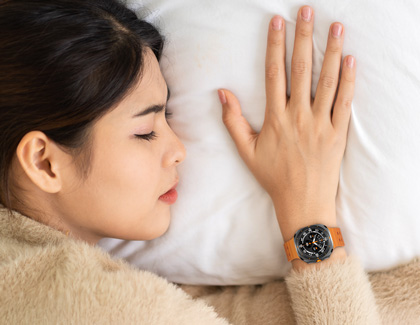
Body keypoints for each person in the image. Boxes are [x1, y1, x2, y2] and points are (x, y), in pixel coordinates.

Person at [1, 0, 417, 323]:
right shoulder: (94, 305)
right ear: (44, 162)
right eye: (145, 131)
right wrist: (308, 213)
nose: (179, 149)